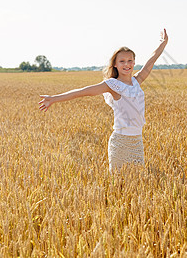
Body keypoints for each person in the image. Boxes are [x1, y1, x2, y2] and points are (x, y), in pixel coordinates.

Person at [39, 29, 169, 171]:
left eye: (130, 60)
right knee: (118, 183)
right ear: (115, 64)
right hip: (120, 142)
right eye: (122, 61)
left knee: (137, 183)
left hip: (137, 141)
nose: (127, 64)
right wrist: (54, 98)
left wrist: (163, 43)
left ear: (134, 62)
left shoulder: (137, 81)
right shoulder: (112, 85)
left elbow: (151, 60)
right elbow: (83, 92)